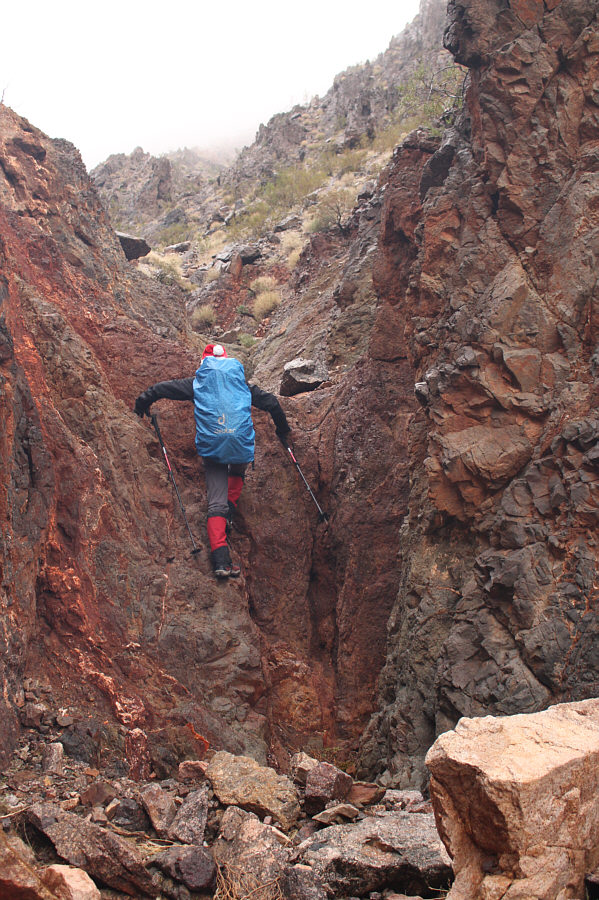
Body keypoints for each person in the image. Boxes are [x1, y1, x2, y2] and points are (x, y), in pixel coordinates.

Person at [134, 343, 291, 578]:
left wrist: (141, 405)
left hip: (214, 446)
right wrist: (283, 429)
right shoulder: (241, 384)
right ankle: (229, 510)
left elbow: (160, 389)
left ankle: (221, 560)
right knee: (237, 471)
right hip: (240, 446)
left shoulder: (198, 382)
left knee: (215, 502)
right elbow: (271, 403)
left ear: (204, 363)